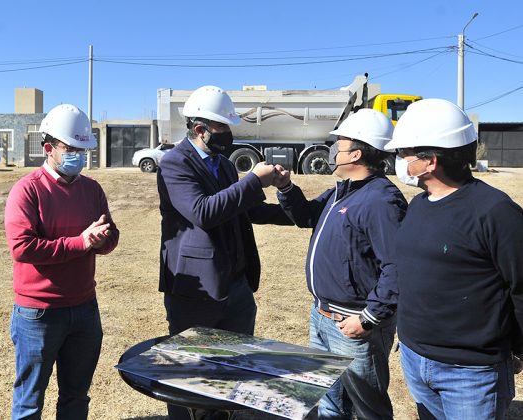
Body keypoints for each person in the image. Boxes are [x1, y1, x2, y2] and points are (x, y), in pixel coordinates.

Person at [157, 85, 291, 419]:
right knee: (189, 372)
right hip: (195, 290)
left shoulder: (224, 164)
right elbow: (203, 212)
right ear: (199, 130)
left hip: (236, 283)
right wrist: (252, 182)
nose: (229, 135)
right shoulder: (175, 164)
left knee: (233, 367)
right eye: (222, 128)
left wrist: (300, 212)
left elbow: (243, 211)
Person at [383, 98, 523, 419]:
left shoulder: (496, 212)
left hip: (471, 373)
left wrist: (516, 350)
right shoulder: (419, 204)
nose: (399, 161)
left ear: (430, 160)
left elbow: (520, 288)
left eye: (403, 153)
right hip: (415, 359)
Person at [274, 108, 407, 419]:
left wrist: (370, 318)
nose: (333, 151)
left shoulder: (381, 200)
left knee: (368, 409)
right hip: (322, 316)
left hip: (355, 326)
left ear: (356, 154)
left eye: (339, 145)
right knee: (331, 404)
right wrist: (285, 188)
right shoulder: (342, 191)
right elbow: (306, 215)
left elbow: (397, 267)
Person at [5, 103, 119, 420]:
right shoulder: (27, 190)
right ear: (49, 148)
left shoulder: (92, 189)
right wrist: (80, 243)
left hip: (84, 307)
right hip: (38, 313)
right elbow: (23, 248)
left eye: (83, 149)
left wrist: (102, 240)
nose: (79, 156)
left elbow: (110, 235)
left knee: (76, 397)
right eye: (71, 148)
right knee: (29, 400)